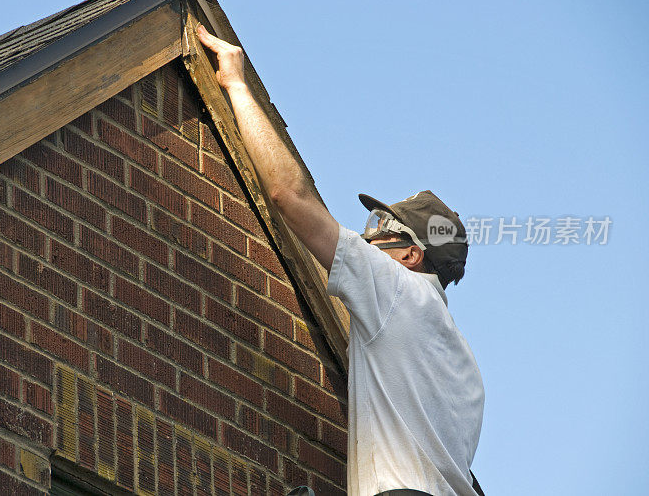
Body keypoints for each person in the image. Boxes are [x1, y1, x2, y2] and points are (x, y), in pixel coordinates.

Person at [197, 25, 485, 496]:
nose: (367, 239)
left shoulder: (398, 292)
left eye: (379, 230)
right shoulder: (465, 365)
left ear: (412, 255)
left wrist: (236, 84)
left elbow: (288, 196)